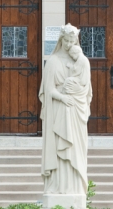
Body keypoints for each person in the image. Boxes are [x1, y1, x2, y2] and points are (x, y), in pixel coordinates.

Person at [39, 24, 92, 197]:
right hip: (60, 112)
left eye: (72, 41)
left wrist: (76, 94)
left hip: (76, 113)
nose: (69, 44)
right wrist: (63, 97)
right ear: (61, 40)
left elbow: (87, 89)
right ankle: (58, 187)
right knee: (61, 150)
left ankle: (75, 188)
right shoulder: (53, 61)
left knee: (75, 150)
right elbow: (48, 90)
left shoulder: (80, 60)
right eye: (66, 40)